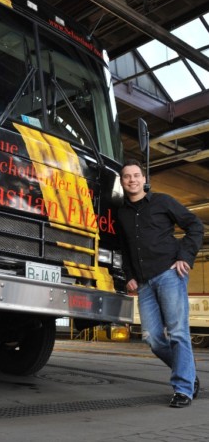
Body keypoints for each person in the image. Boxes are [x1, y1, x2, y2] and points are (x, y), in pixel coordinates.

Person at [117, 158, 204, 408]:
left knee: (178, 332)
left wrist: (184, 257)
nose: (132, 180)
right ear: (122, 182)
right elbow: (125, 248)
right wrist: (129, 275)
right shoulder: (122, 213)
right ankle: (187, 371)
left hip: (169, 274)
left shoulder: (162, 202)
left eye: (136, 175)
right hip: (144, 283)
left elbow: (195, 226)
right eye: (127, 176)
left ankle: (183, 389)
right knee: (153, 338)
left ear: (144, 179)